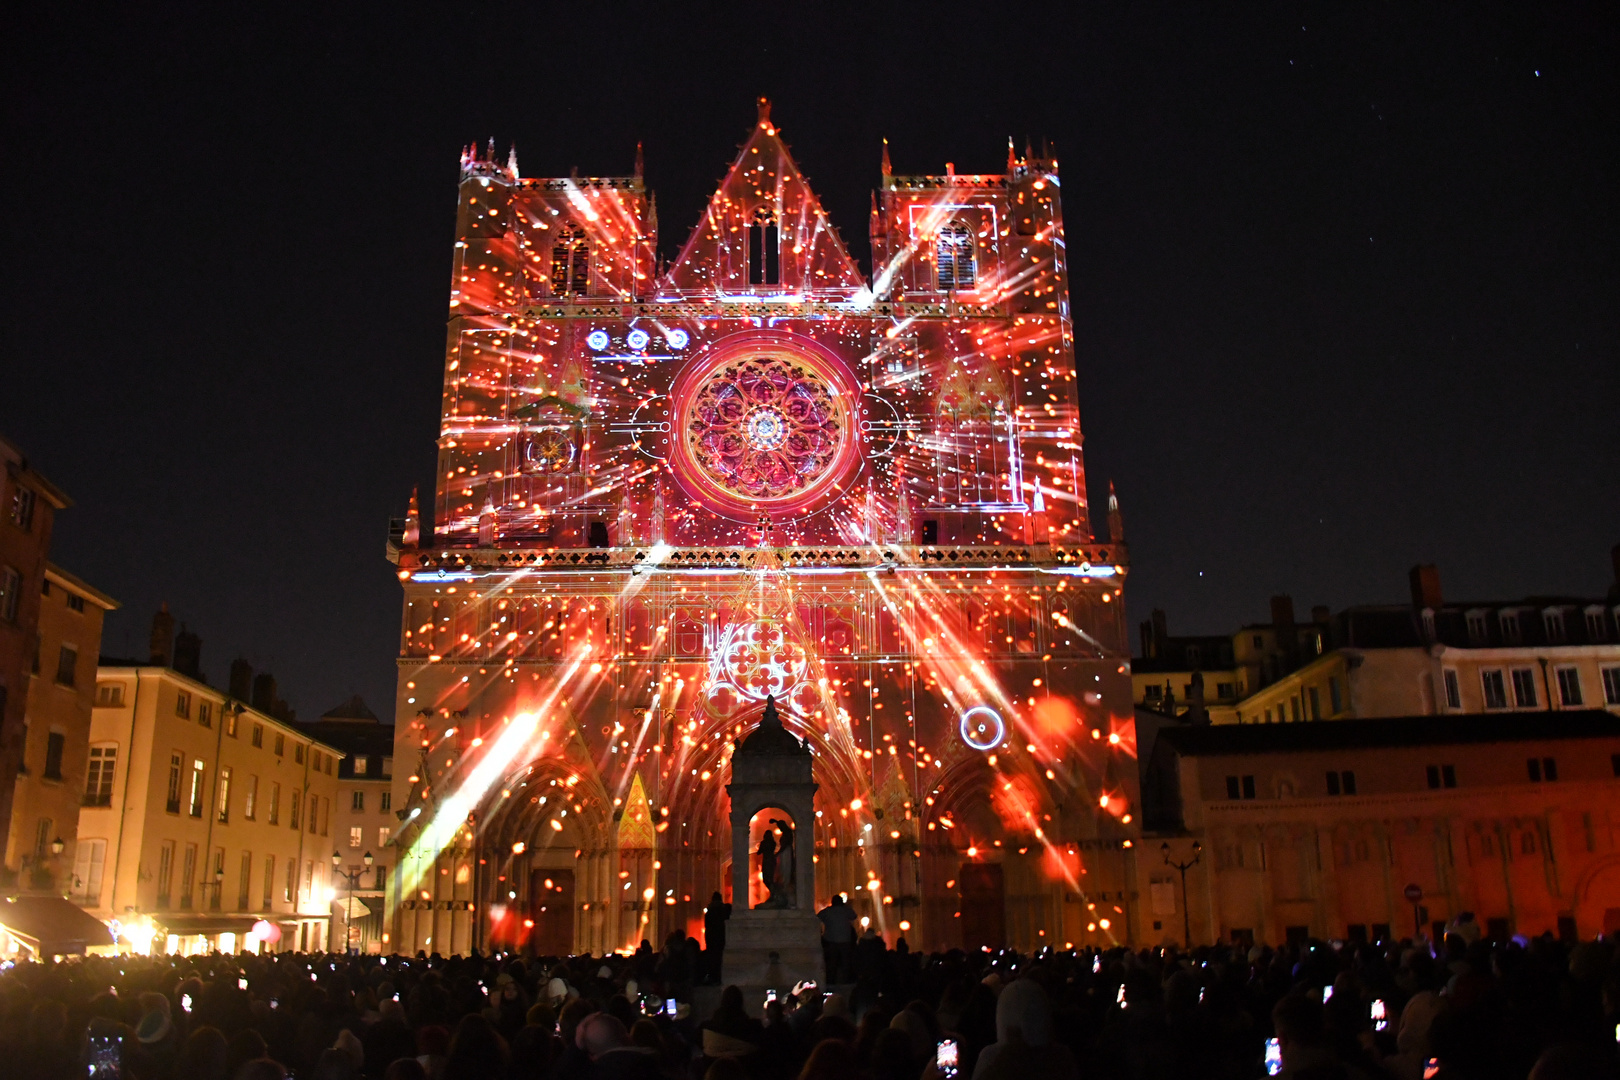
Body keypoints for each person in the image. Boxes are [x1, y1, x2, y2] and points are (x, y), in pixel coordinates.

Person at [816, 895, 857, 982]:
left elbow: (818, 917)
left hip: (831, 941)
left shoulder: (828, 911)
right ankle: (845, 980)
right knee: (845, 963)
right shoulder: (846, 911)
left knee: (832, 963)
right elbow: (854, 916)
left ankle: (831, 980)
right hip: (845, 940)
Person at [704, 892, 732, 983]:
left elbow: (707, 926)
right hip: (721, 936)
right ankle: (719, 977)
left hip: (712, 938)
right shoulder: (724, 909)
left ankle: (713, 977)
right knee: (720, 958)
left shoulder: (709, 911)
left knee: (712, 958)